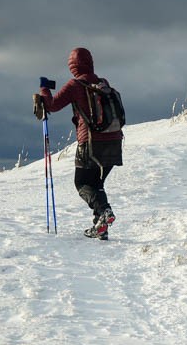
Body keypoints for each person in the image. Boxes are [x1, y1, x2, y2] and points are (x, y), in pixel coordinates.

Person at [35, 47, 123, 240]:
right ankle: (101, 227)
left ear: (73, 66)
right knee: (96, 184)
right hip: (115, 142)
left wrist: (44, 89)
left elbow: (52, 105)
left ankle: (105, 212)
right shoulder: (103, 83)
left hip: (91, 144)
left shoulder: (75, 85)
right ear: (90, 62)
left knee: (82, 183)